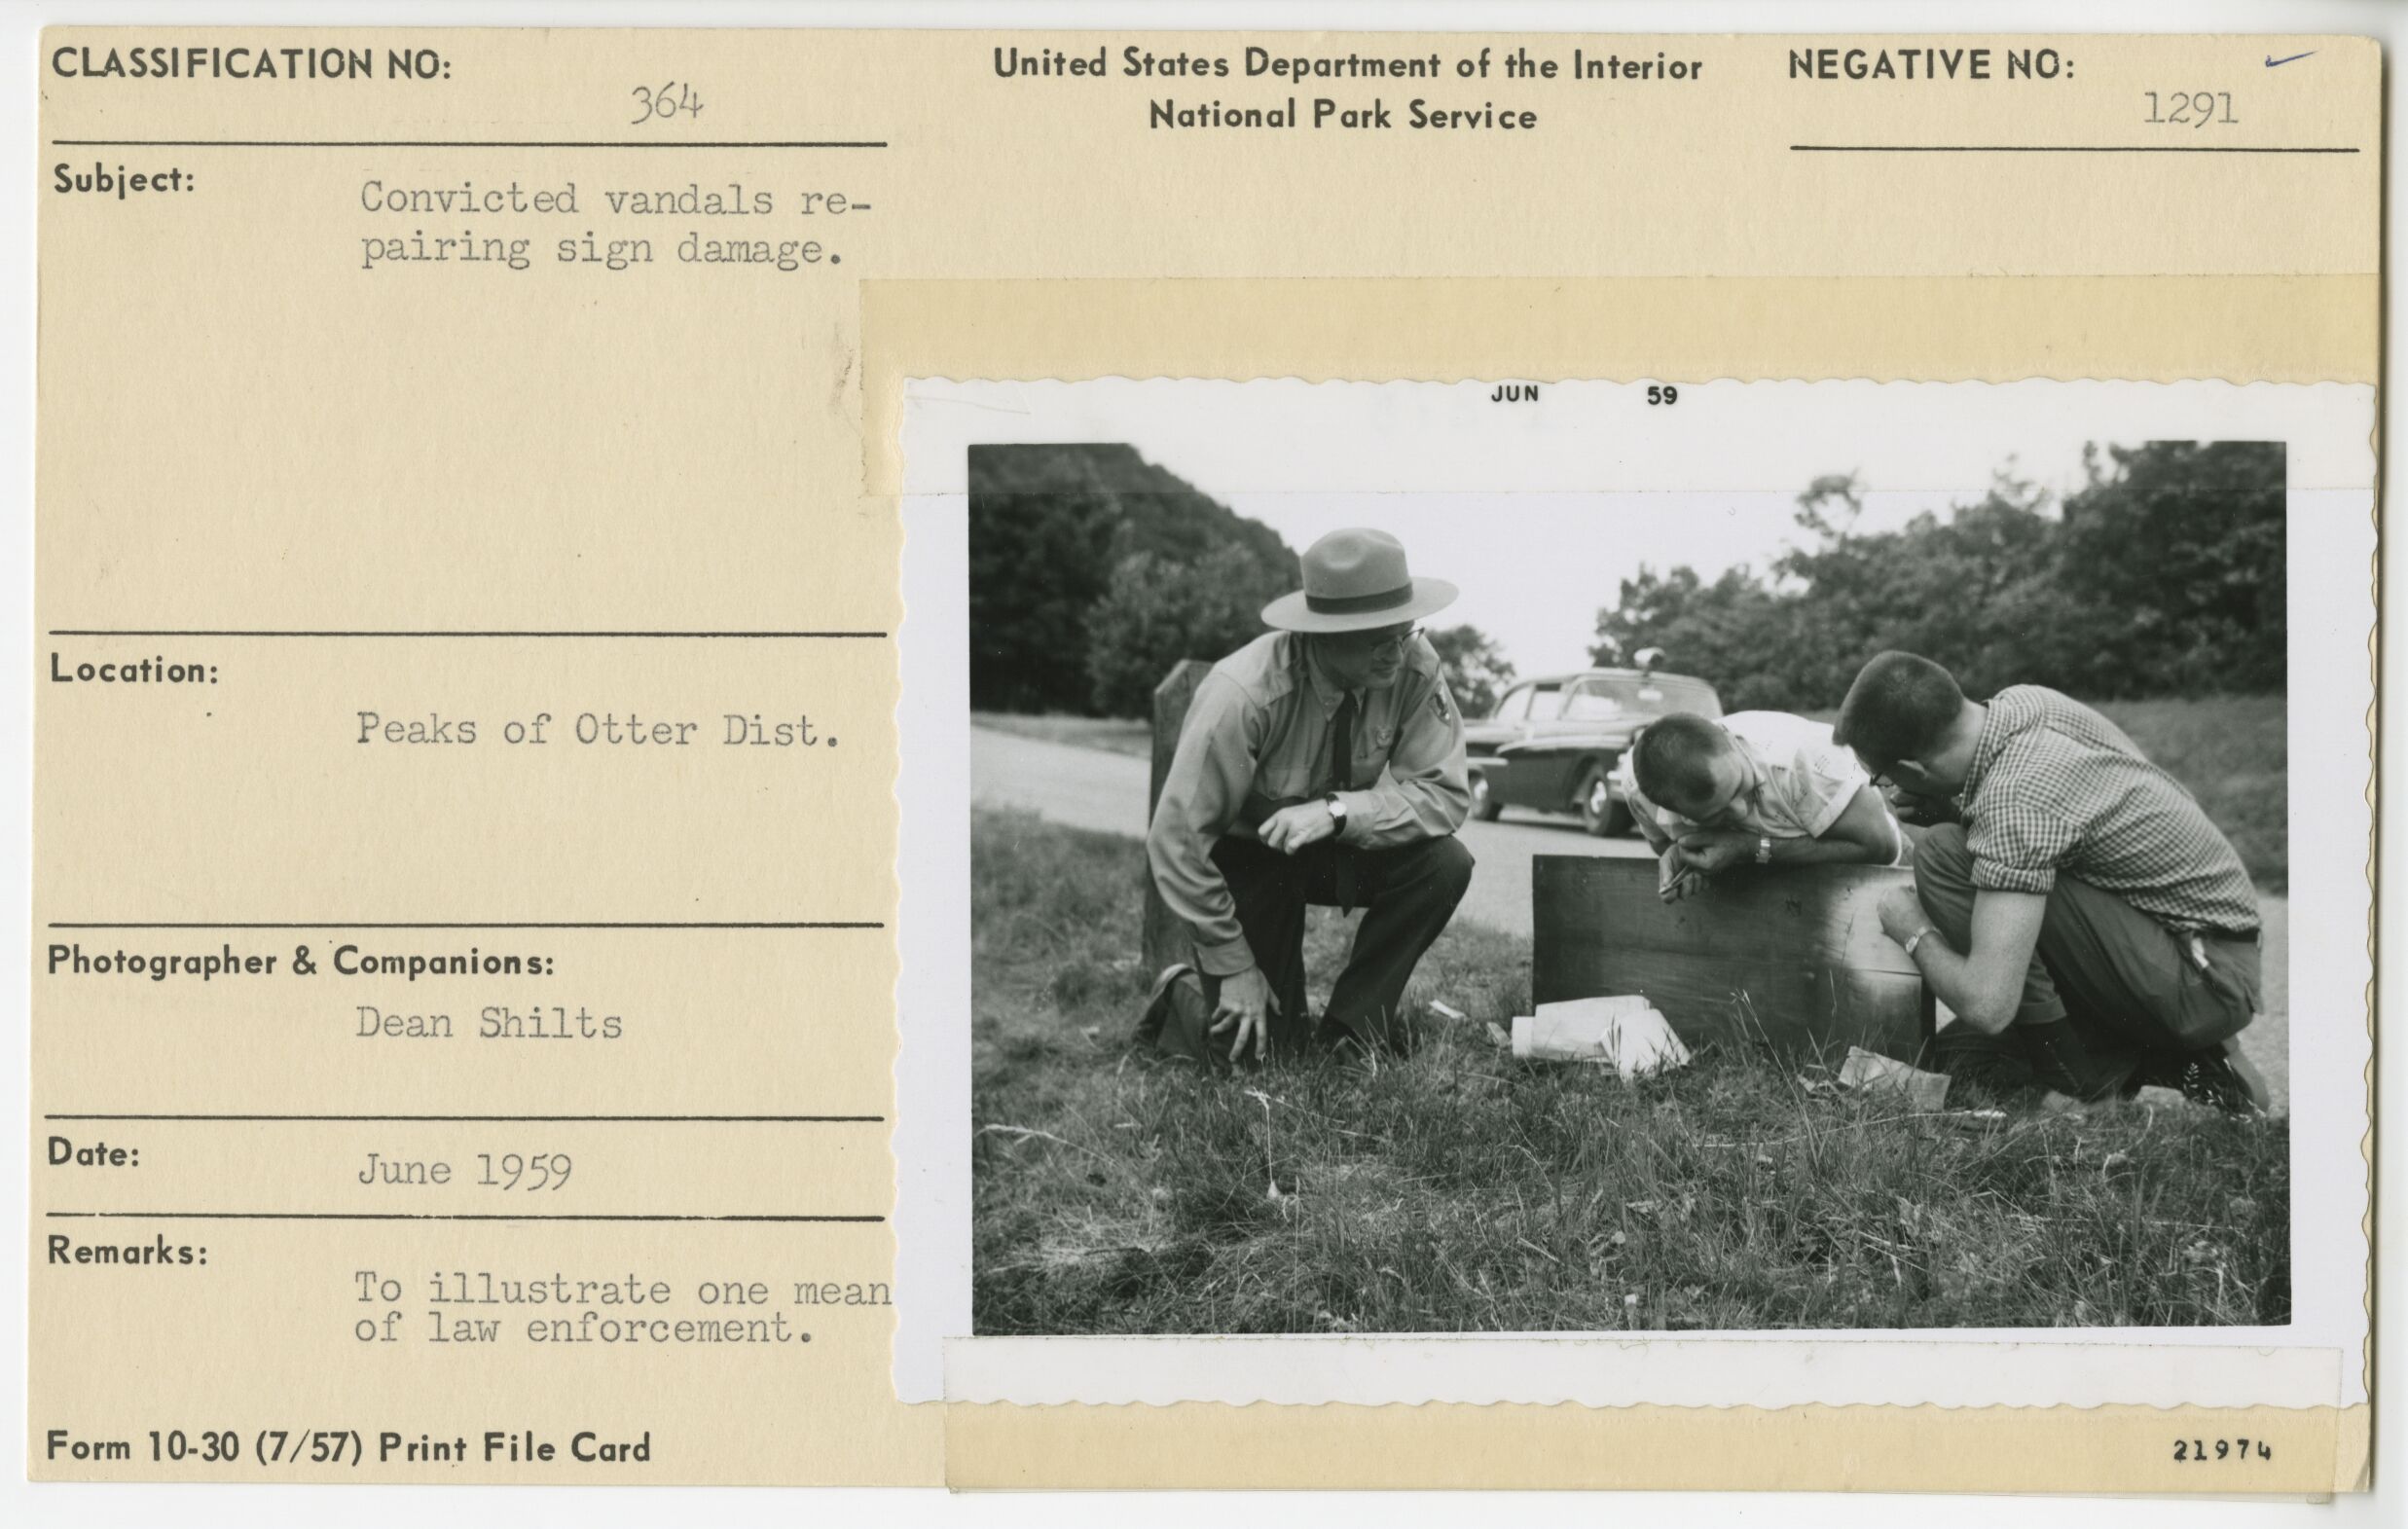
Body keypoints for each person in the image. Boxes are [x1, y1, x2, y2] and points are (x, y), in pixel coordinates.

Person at [1831, 650, 2268, 1112]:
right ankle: (2155, 1048)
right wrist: (1957, 811)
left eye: (1879, 777)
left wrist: (1912, 930)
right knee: (1960, 1063)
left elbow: (1989, 1005)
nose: (1884, 788)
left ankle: (2087, 1088)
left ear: (1914, 771)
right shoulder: (2023, 705)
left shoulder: (2014, 801)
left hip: (2203, 977)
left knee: (1943, 856)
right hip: (2197, 944)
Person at [1147, 528, 1474, 1063]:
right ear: (1323, 633)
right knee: (1257, 1055)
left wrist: (1338, 812)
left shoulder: (1413, 663)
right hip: (1254, 861)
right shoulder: (1243, 694)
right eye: (1376, 638)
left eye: (1404, 631)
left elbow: (1444, 794)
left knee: (1444, 863)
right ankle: (1181, 992)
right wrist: (1232, 963)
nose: (1397, 652)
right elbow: (1176, 841)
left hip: (1338, 840)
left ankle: (1350, 1035)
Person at [1618, 710, 1907, 903]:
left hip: (1873, 884)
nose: (1740, 811)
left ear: (1731, 740)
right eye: (1715, 816)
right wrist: (1684, 856)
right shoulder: (1638, 789)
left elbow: (1882, 847)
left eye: (1741, 786)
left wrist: (1749, 848)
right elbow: (1665, 841)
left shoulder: (1809, 756)